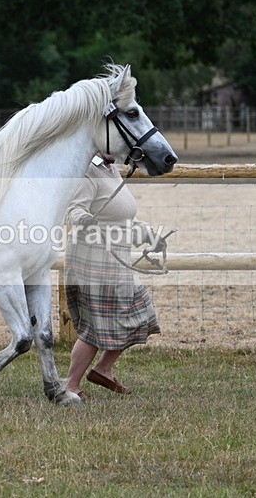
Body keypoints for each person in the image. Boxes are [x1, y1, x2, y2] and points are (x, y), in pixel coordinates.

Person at [63, 153, 165, 398]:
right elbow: (73, 210)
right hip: (93, 261)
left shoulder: (109, 169)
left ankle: (103, 369)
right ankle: (70, 386)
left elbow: (121, 219)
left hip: (115, 261)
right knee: (95, 326)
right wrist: (85, 220)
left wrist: (149, 234)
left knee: (141, 315)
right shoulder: (88, 169)